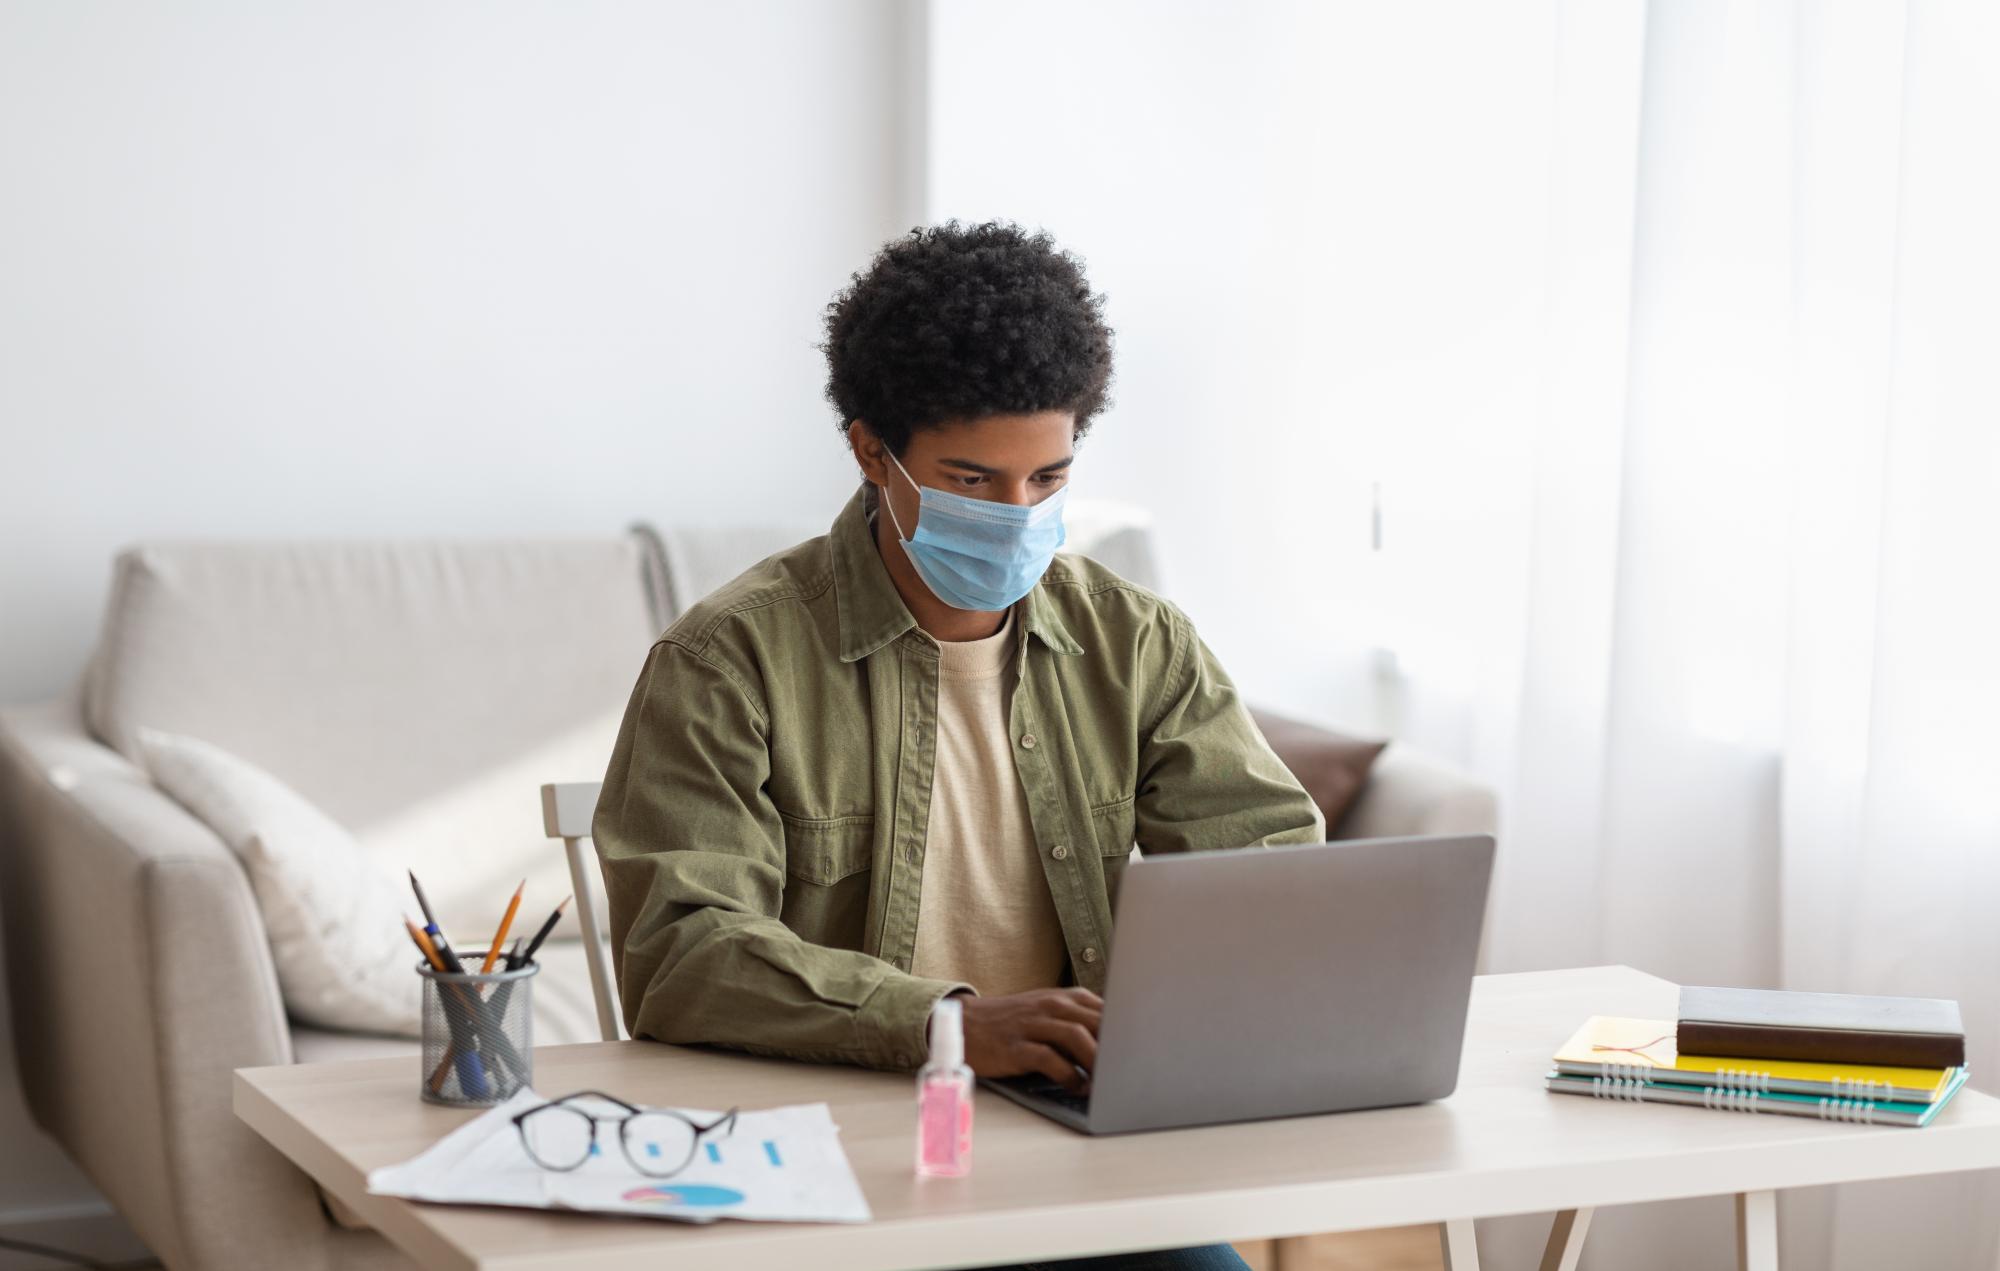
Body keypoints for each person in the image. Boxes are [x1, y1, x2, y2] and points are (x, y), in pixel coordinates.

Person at [594, 219, 1325, 1271]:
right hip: (843, 1163)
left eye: (1047, 478)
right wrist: (947, 1022)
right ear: (868, 451)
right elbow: (682, 953)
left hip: (1079, 1153)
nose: (1017, 514)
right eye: (974, 481)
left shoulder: (1136, 640)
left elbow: (1269, 869)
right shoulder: (727, 658)